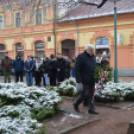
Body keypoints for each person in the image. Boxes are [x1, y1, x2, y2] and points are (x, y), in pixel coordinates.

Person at [73, 44, 99, 115]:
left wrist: (98, 74)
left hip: (92, 79)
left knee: (92, 94)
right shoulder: (80, 57)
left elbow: (95, 67)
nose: (92, 52)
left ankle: (91, 109)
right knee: (84, 94)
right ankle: (76, 103)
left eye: (93, 51)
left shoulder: (93, 57)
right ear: (86, 50)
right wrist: (78, 80)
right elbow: (77, 69)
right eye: (91, 51)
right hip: (84, 80)